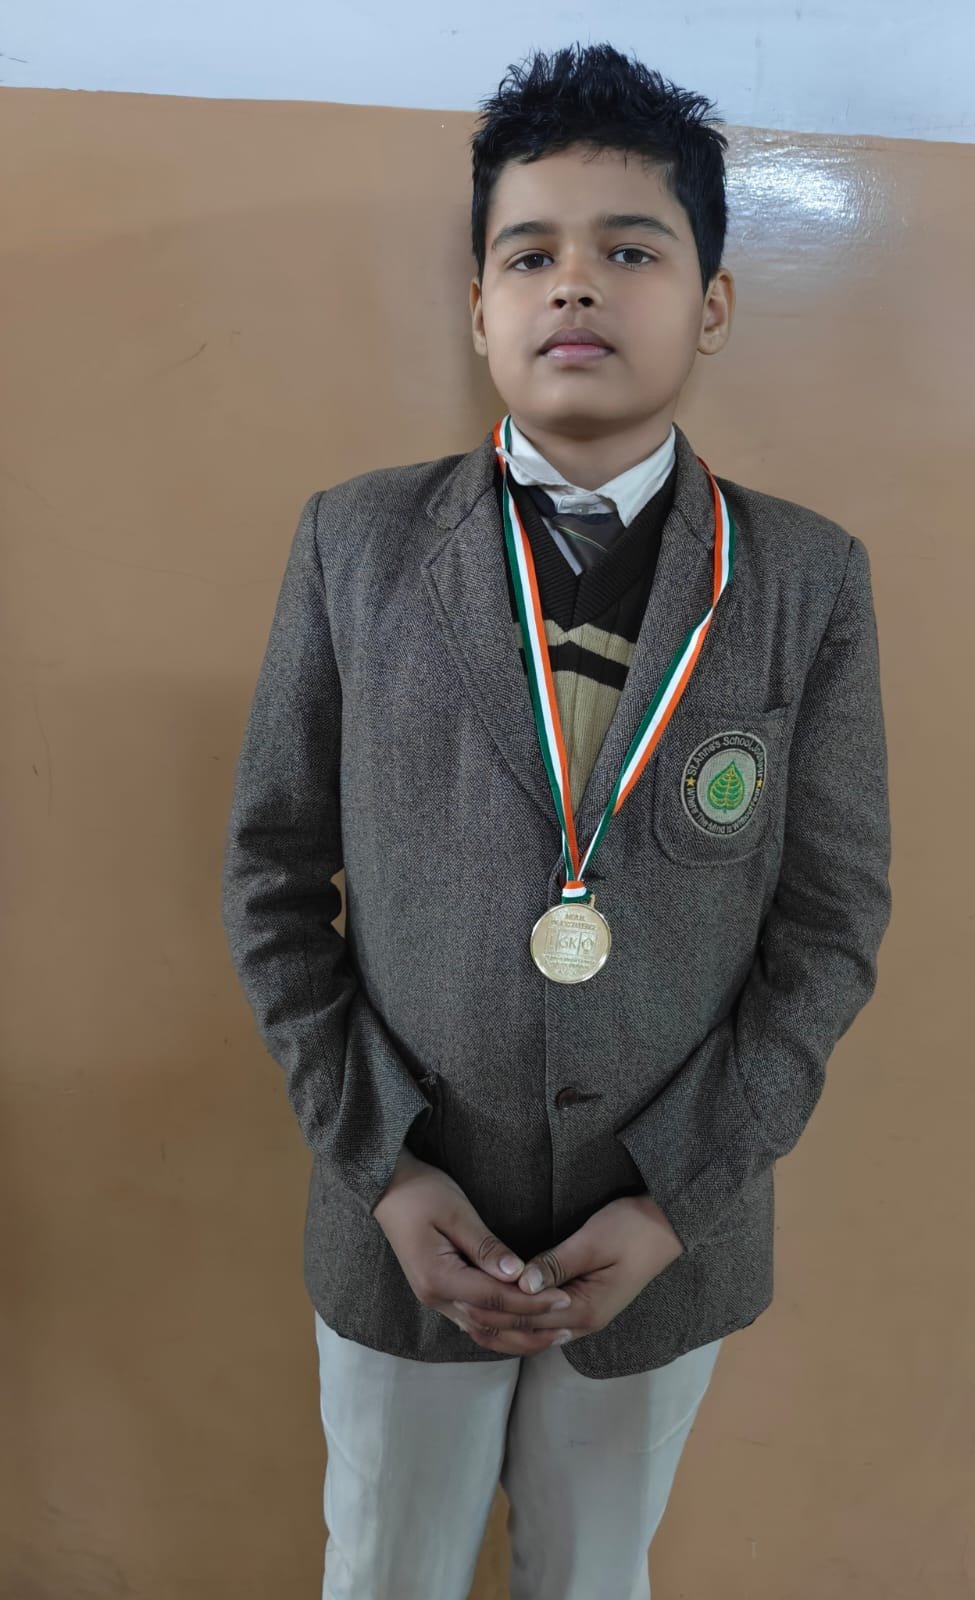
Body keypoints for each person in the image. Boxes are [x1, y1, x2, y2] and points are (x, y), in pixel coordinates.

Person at [221, 39, 892, 1600]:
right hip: (401, 1223)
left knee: (595, 1576)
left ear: (712, 302)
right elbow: (271, 875)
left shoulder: (804, 581)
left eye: (632, 250)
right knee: (384, 1568)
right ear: (478, 307)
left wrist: (677, 1198)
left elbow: (830, 927)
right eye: (529, 255)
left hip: (663, 1238)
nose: (574, 283)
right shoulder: (354, 546)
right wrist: (383, 1165)